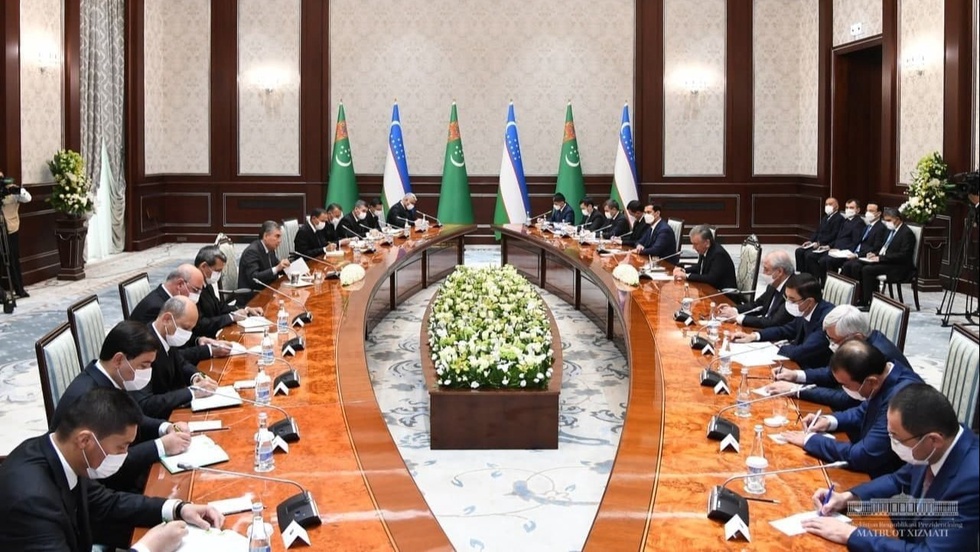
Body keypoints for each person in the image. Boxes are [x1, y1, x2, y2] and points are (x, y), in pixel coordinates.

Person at [0, 387, 224, 551]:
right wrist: (147, 548)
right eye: (122, 447)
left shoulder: (63, 452)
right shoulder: (31, 502)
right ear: (85, 440)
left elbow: (106, 502)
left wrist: (178, 508)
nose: (125, 454)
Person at [803, 384, 979, 551]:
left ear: (933, 440)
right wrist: (846, 498)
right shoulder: (937, 445)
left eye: (897, 438)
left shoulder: (972, 481)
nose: (893, 443)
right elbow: (898, 481)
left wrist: (851, 534)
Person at [780, 340, 923, 478]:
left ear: (871, 382)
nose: (844, 389)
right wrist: (829, 421)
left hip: (890, 475)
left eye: (846, 385)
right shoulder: (885, 374)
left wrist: (810, 440)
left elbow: (865, 455)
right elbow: (862, 411)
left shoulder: (901, 398)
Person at [766, 304, 911, 410]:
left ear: (857, 337)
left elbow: (848, 399)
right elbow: (832, 373)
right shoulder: (864, 343)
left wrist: (797, 389)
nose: (831, 344)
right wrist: (796, 375)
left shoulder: (876, 357)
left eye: (835, 340)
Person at [133, 297, 220, 419]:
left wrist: (196, 376)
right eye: (185, 328)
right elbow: (145, 404)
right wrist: (191, 392)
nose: (188, 334)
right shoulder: (142, 348)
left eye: (191, 329)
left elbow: (181, 363)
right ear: (167, 319)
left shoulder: (167, 336)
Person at [733, 273, 834, 369]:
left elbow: (802, 351)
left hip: (813, 370)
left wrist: (775, 348)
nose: (788, 303)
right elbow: (785, 330)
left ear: (809, 301)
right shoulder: (804, 309)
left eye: (792, 300)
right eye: (787, 298)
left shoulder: (826, 320)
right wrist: (754, 336)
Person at [841, 207, 916, 307]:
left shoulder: (906, 233)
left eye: (889, 220)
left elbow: (904, 255)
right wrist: (874, 254)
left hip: (897, 266)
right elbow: (883, 247)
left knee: (867, 270)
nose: (887, 223)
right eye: (885, 220)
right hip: (885, 260)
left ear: (897, 219)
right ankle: (858, 297)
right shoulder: (889, 230)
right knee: (853, 264)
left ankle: (869, 302)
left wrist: (880, 258)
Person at [192, 245, 260, 339]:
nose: (219, 275)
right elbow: (200, 324)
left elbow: (219, 307)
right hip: (203, 339)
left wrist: (246, 309)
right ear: (204, 266)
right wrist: (231, 317)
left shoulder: (206, 284)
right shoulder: (192, 289)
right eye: (217, 271)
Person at [810, 202, 887, 283]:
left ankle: (847, 288)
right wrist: (831, 247)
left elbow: (875, 247)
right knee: (823, 259)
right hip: (851, 252)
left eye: (871, 211)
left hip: (861, 254)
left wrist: (856, 254)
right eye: (867, 210)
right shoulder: (868, 226)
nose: (868, 213)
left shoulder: (879, 227)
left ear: (879, 213)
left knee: (844, 264)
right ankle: (825, 284)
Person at [716, 250, 794, 329]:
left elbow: (773, 322)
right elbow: (757, 305)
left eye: (766, 270)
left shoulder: (792, 291)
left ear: (780, 271)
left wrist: (738, 317)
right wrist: (733, 310)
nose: (763, 273)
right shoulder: (774, 284)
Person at [802, 199, 866, 282]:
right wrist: (829, 247)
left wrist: (840, 249)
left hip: (845, 252)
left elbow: (855, 242)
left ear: (858, 210)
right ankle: (819, 282)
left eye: (851, 208)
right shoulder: (846, 221)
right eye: (847, 207)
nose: (848, 210)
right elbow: (838, 237)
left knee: (826, 260)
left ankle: (828, 283)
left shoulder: (858, 223)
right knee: (814, 257)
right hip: (835, 249)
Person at [672, 224, 738, 294]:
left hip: (724, 295)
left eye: (696, 244)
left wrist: (686, 276)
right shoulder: (704, 249)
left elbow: (711, 279)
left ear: (707, 243)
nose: (693, 248)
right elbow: (699, 267)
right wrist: (683, 270)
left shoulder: (718, 254)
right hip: (710, 290)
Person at [129, 264, 205, 324]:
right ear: (180, 284)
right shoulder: (157, 309)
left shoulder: (166, 299)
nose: (197, 296)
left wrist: (198, 338)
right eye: (195, 290)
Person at [238, 220, 290, 302]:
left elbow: (278, 267)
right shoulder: (252, 251)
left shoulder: (270, 249)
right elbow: (254, 278)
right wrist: (277, 268)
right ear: (266, 236)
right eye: (277, 236)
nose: (280, 240)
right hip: (253, 298)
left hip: (267, 293)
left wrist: (293, 269)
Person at [1, 171, 31, 299]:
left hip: (11, 229)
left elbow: (28, 198)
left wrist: (18, 191)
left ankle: (19, 289)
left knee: (13, 259)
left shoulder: (12, 190)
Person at [795, 197, 844, 270]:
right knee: (799, 251)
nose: (828, 206)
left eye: (830, 204)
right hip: (817, 243)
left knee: (809, 255)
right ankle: (803, 274)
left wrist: (819, 243)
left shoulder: (839, 219)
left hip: (826, 245)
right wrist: (811, 241)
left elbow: (833, 235)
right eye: (826, 204)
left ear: (837, 206)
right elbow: (818, 231)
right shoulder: (825, 217)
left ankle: (814, 275)